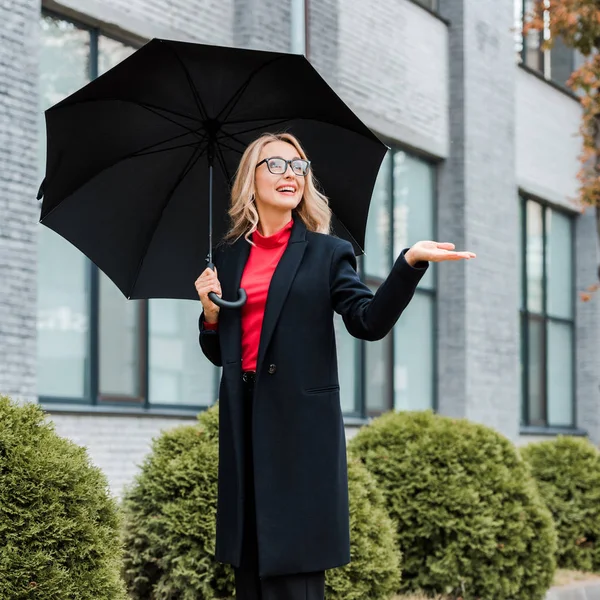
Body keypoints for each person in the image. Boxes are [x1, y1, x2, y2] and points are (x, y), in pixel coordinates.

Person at [195, 132, 475, 600]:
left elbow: (368, 322)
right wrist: (209, 312)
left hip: (301, 429)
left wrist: (407, 264)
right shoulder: (227, 256)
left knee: (294, 570)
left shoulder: (327, 253)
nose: (291, 175)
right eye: (277, 165)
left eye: (299, 167)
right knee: (250, 566)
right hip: (243, 419)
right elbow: (219, 351)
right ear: (251, 178)